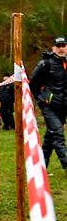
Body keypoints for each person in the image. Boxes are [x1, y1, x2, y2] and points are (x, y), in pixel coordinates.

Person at [30, 36, 67, 171]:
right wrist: (41, 101)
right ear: (53, 48)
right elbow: (33, 84)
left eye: (63, 46)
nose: (61, 49)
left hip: (63, 106)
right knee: (58, 133)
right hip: (49, 106)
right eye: (59, 46)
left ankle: (41, 166)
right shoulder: (45, 63)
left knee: (50, 136)